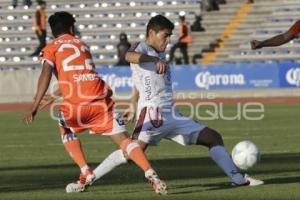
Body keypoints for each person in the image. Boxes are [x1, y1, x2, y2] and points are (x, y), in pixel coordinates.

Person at [64, 14, 264, 193]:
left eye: (169, 36)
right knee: (130, 153)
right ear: (152, 32)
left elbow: (139, 82)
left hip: (172, 114)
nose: (168, 41)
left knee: (213, 137)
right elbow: (129, 56)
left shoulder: (159, 53)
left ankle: (238, 180)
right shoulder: (141, 47)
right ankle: (87, 180)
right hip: (152, 115)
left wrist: (132, 102)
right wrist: (150, 61)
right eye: (165, 35)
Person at [23, 11, 167, 195]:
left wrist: (36, 105)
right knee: (125, 141)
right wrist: (56, 95)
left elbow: (45, 74)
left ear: (52, 32)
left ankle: (85, 171)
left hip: (76, 106)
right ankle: (151, 174)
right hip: (100, 101)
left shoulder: (51, 48)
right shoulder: (82, 45)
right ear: (71, 28)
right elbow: (82, 76)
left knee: (63, 124)